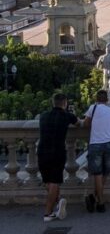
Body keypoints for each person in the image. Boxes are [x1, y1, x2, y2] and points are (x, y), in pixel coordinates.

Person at [37, 93, 80, 222]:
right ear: (65, 103)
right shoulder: (67, 116)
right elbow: (78, 124)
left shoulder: (43, 117)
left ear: (53, 103)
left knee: (47, 181)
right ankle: (48, 213)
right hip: (57, 152)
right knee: (55, 182)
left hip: (42, 151)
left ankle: (59, 200)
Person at [84, 90, 110, 214]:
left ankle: (100, 202)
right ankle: (96, 198)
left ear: (96, 99)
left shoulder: (93, 108)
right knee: (105, 173)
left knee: (98, 175)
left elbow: (86, 123)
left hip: (95, 144)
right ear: (107, 100)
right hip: (109, 145)